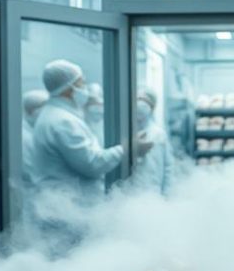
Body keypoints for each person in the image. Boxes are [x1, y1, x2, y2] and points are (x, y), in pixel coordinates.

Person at [26, 60, 148, 208]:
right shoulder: (63, 121)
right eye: (81, 83)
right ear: (67, 88)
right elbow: (92, 164)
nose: (85, 89)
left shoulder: (54, 115)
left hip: (62, 205)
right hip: (68, 208)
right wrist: (127, 149)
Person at [130, 85, 172, 194]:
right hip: (130, 194)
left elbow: (168, 167)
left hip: (153, 192)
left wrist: (166, 194)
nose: (140, 105)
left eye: (145, 102)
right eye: (138, 100)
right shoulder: (126, 132)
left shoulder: (158, 134)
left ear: (152, 108)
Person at [20, 89, 49, 184]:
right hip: (33, 191)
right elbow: (32, 174)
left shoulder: (37, 131)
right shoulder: (23, 138)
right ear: (30, 111)